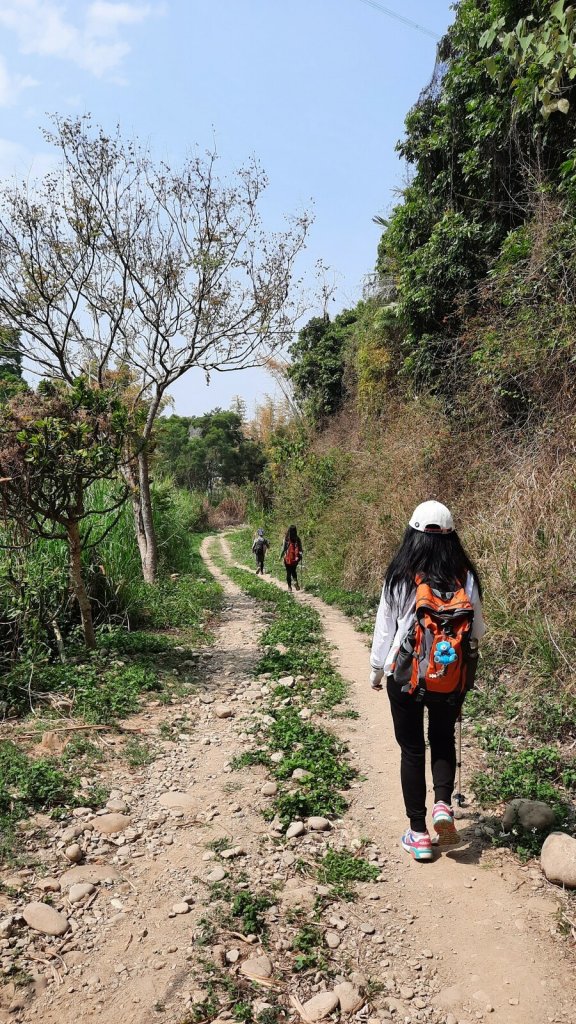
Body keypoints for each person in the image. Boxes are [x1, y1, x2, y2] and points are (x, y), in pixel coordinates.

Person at [369, 500, 485, 862]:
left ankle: (418, 833)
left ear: (412, 533)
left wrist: (376, 670)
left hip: (405, 676)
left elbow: (385, 629)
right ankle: (442, 807)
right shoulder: (465, 576)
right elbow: (477, 630)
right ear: (452, 536)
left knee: (412, 750)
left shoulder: (400, 574)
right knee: (442, 739)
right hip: (448, 677)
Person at [280, 525, 303, 591]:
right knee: (294, 571)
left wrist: (280, 556)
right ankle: (295, 581)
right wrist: (300, 555)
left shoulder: (286, 538)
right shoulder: (297, 539)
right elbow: (300, 549)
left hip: (287, 558)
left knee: (288, 572)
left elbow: (283, 549)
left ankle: (289, 587)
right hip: (295, 559)